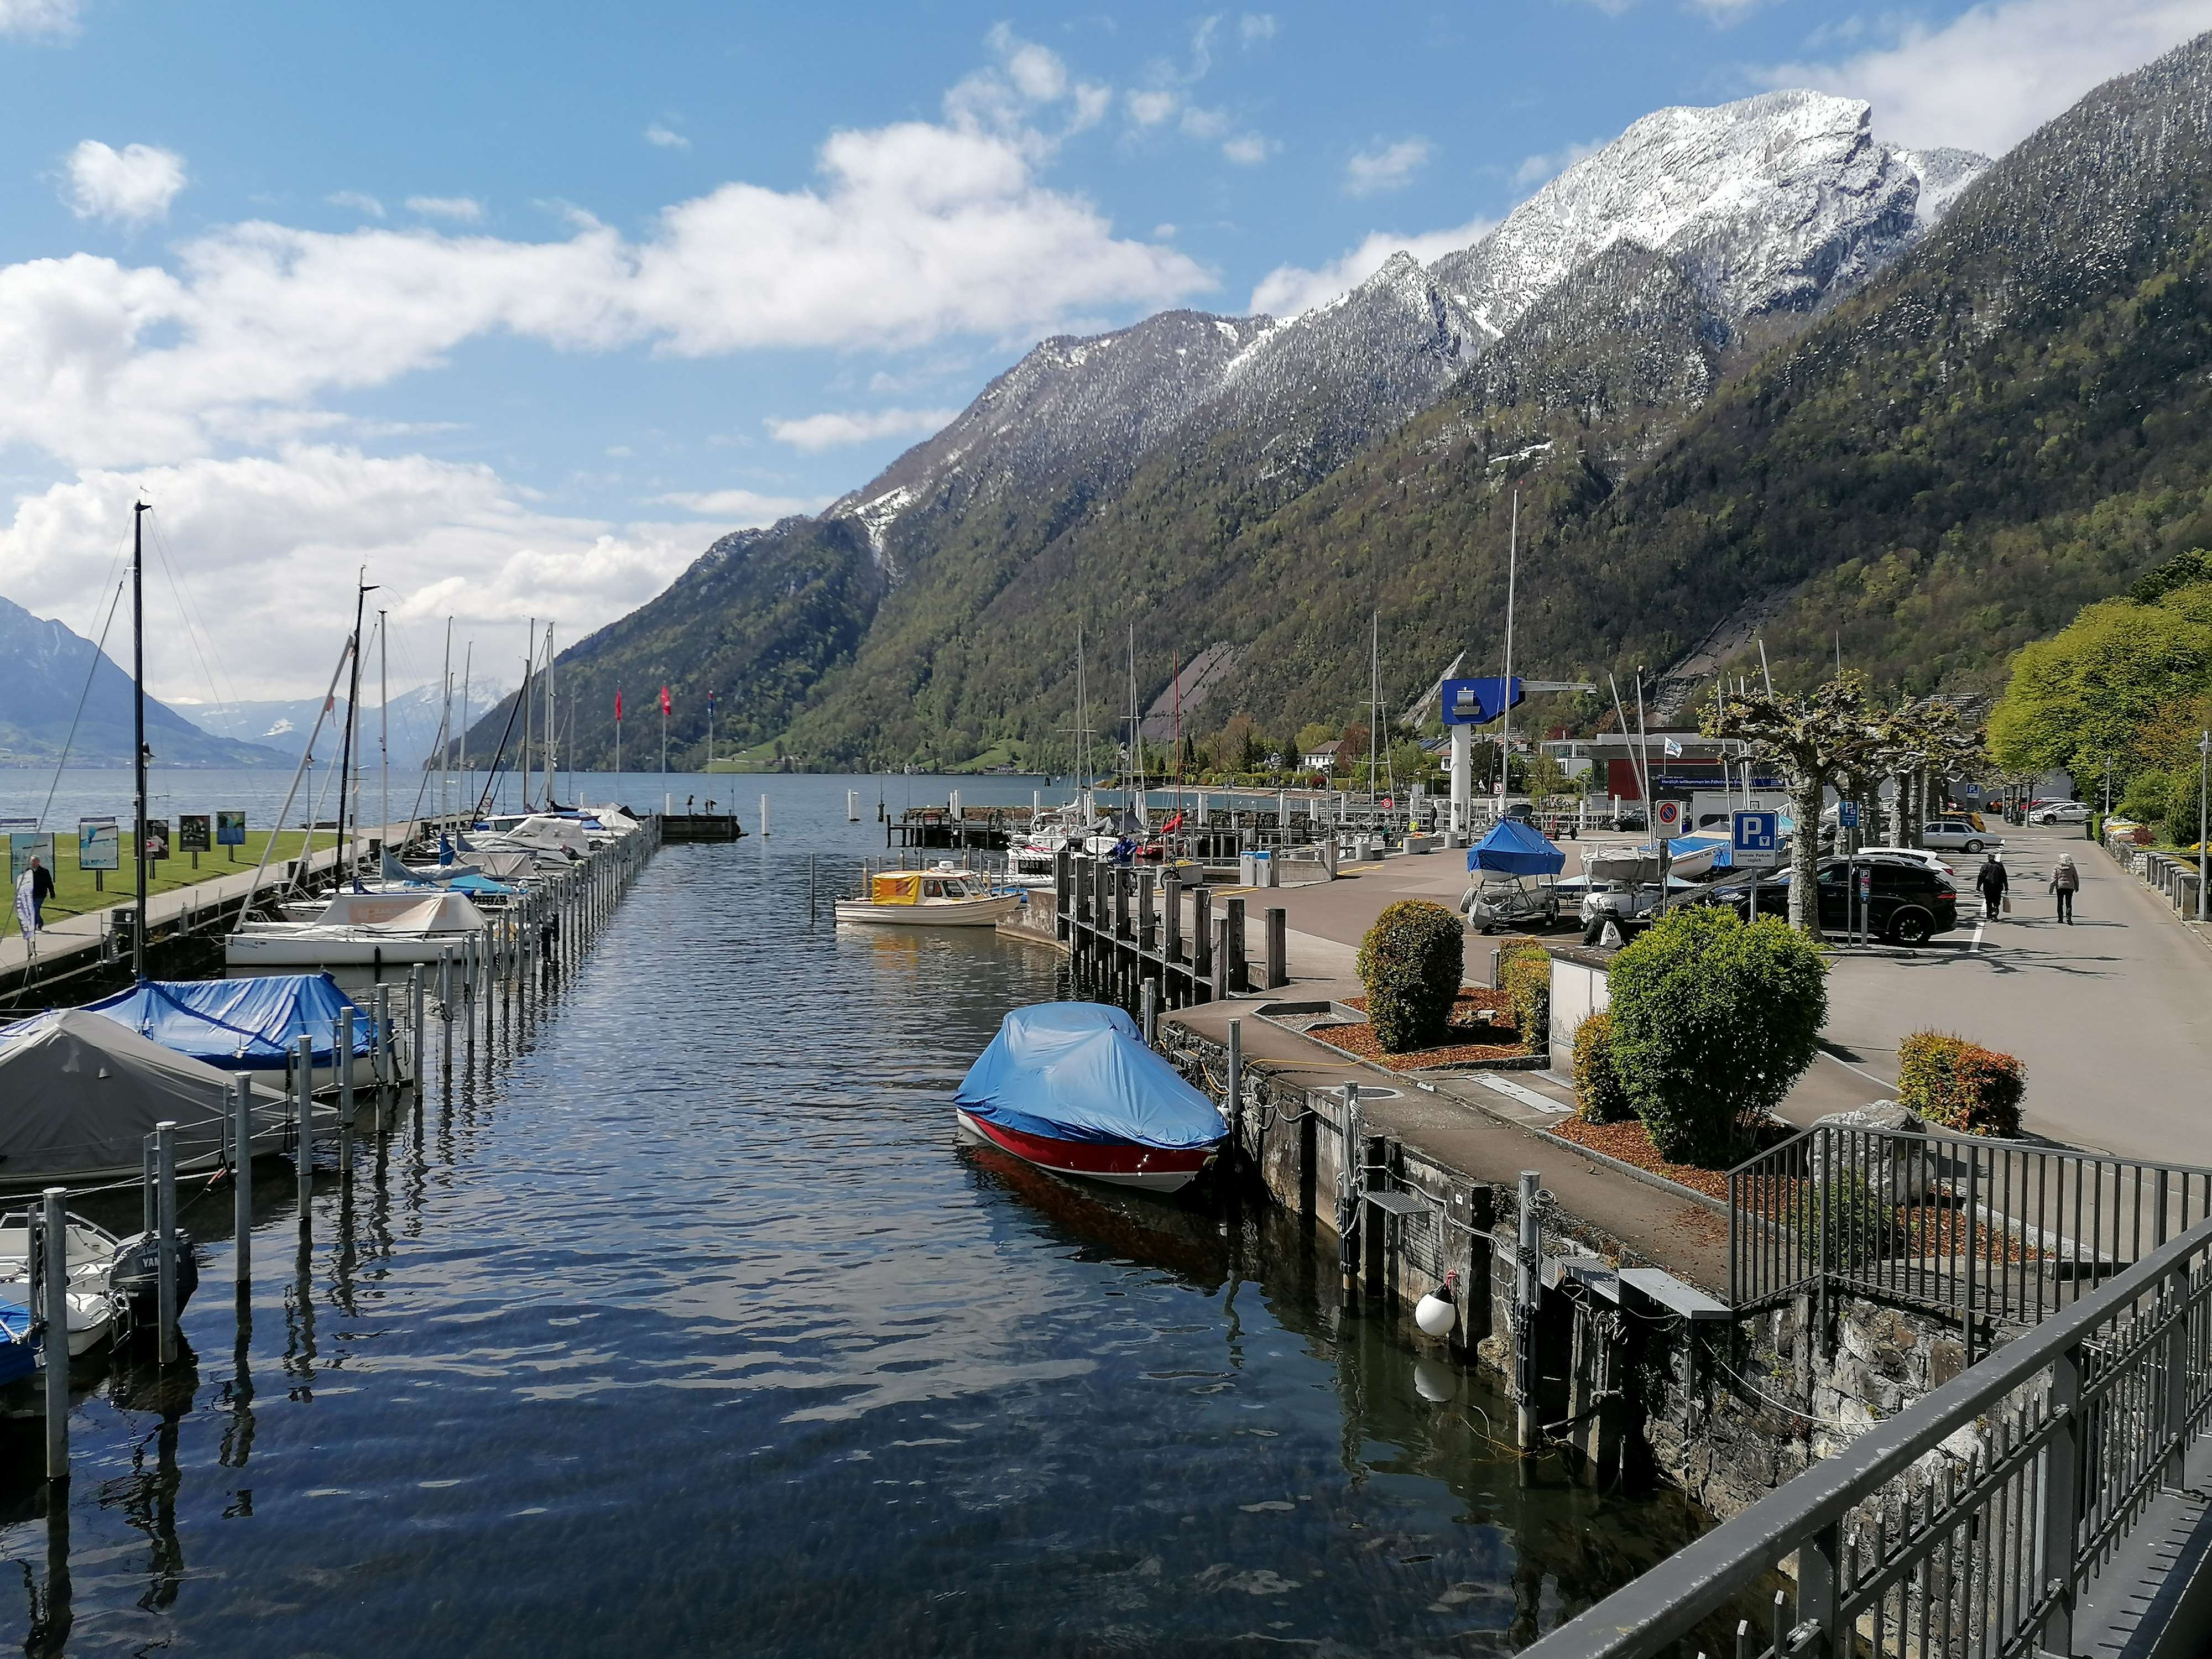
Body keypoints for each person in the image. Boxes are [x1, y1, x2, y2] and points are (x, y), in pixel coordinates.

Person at [1974, 852, 2008, 920]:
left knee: (1989, 901)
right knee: (1997, 900)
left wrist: (1978, 886)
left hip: (1988, 886)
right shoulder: (2000, 866)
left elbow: (1981, 877)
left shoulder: (1985, 866)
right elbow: (2004, 876)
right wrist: (2006, 886)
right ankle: (1995, 911)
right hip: (1998, 886)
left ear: (1988, 858)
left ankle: (1989, 914)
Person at [2051, 853, 2079, 924]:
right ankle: (2069, 919)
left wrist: (2051, 888)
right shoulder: (2072, 867)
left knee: (2060, 903)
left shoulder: (2057, 867)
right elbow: (2076, 878)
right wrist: (2077, 887)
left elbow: (2054, 878)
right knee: (2069, 903)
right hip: (2070, 887)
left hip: (2060, 887)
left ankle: (2060, 918)